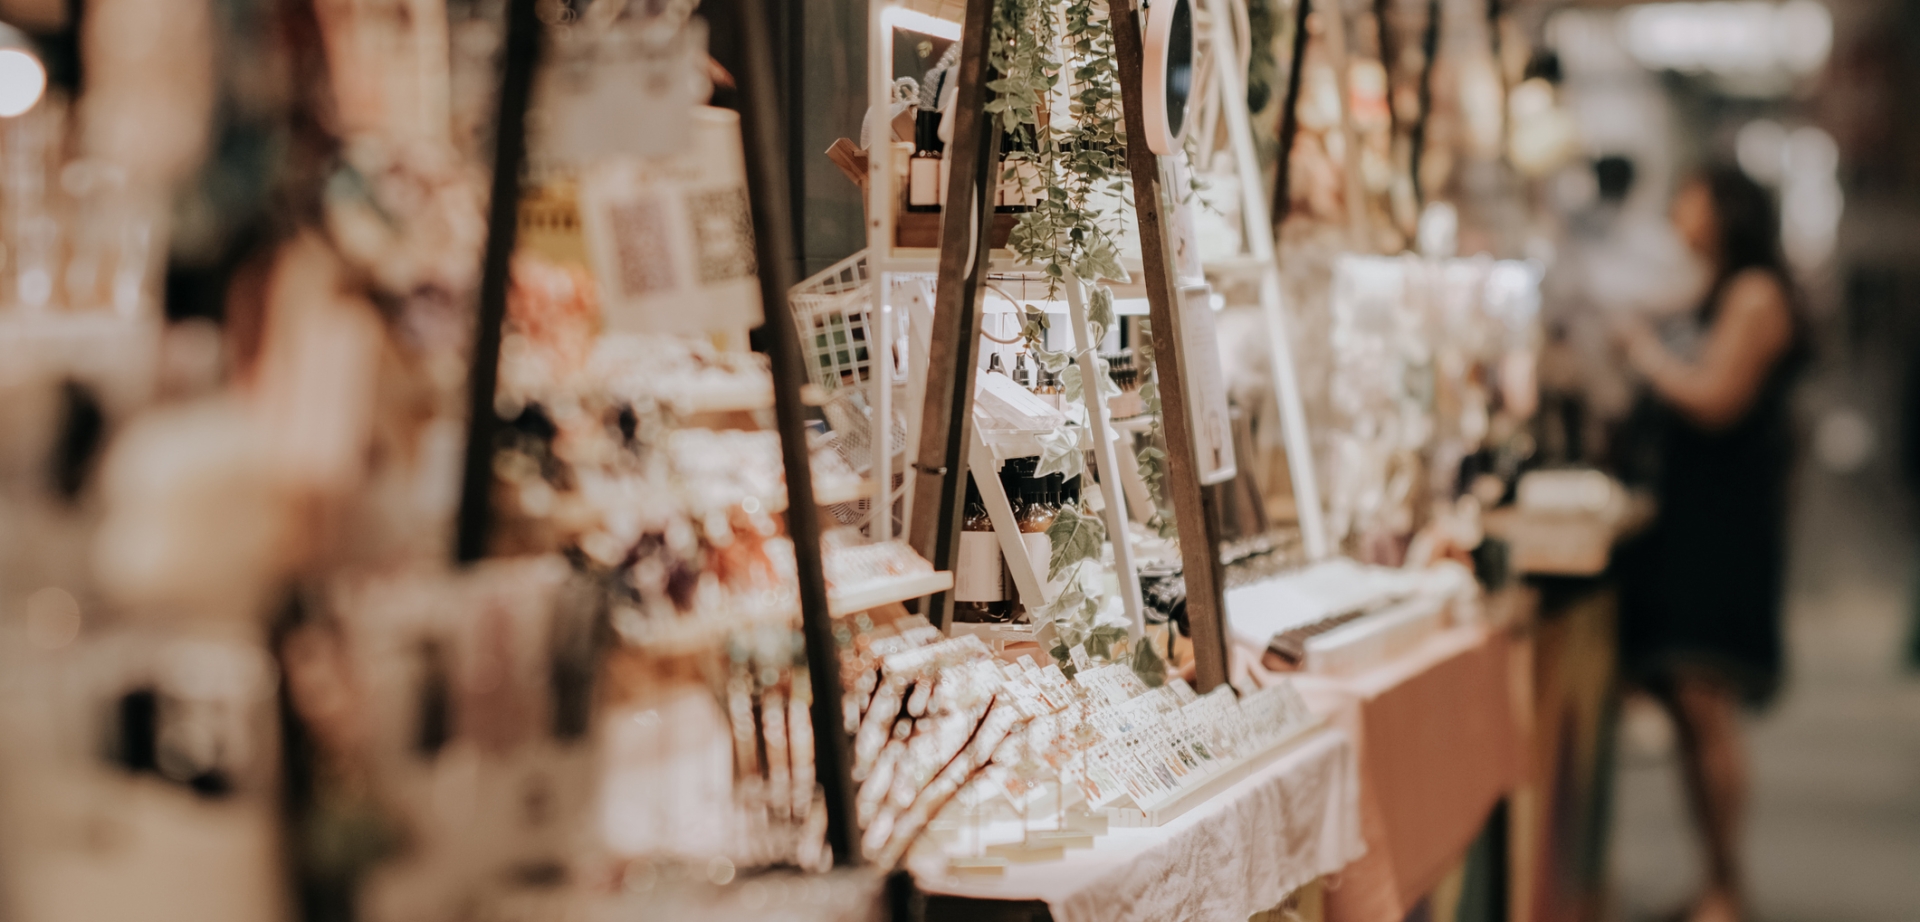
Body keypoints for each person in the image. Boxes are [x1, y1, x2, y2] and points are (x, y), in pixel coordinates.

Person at [1612, 166, 1806, 922]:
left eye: (1689, 197)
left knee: (1706, 700)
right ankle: (1718, 882)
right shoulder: (1720, 286)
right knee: (1692, 703)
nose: (1677, 211)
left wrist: (1645, 356)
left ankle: (1727, 885)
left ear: (1725, 209)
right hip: (1697, 517)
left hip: (1724, 524)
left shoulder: (1755, 293)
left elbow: (1719, 397)